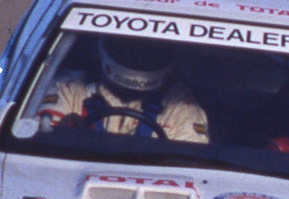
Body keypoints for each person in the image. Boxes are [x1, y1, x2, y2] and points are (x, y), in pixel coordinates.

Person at [36, 36, 208, 143]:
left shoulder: (180, 105)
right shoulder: (68, 88)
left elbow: (191, 167)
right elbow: (42, 144)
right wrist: (65, 133)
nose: (138, 55)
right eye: (131, 49)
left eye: (148, 52)